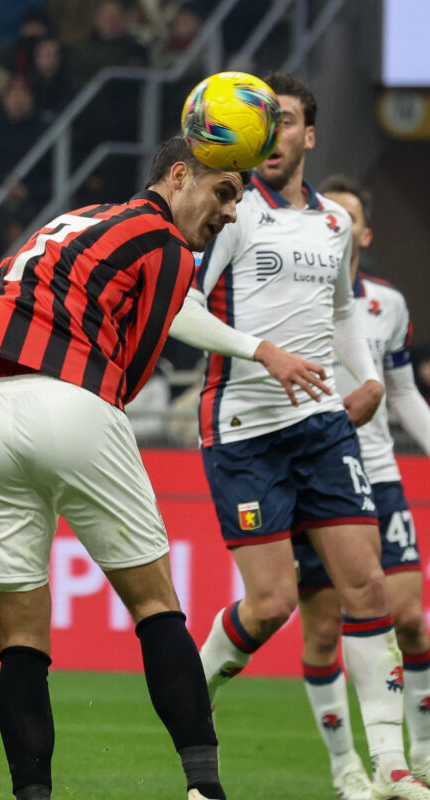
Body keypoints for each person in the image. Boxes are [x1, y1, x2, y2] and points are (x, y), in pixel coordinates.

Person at [0, 134, 255, 800]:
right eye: (224, 193)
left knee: (20, 641)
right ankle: (205, 789)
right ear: (180, 175)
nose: (231, 214)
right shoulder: (164, 244)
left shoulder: (71, 221)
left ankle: (33, 795)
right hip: (73, 396)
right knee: (157, 608)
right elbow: (130, 369)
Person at [167, 72, 430, 800]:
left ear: (304, 134)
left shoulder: (333, 225)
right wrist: (264, 355)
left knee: (368, 585)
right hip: (244, 428)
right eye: (257, 122)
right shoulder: (230, 214)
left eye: (280, 120)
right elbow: (179, 309)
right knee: (272, 605)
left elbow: (344, 310)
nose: (269, 134)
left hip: (320, 426)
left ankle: (393, 768)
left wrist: (367, 375)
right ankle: (192, 700)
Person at [294, 176, 430, 800]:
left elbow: (402, 392)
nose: (338, 226)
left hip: (378, 475)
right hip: (316, 474)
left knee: (410, 620)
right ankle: (346, 767)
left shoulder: (389, 305)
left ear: (363, 233)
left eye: (349, 219)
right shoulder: (289, 294)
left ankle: (418, 759)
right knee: (322, 632)